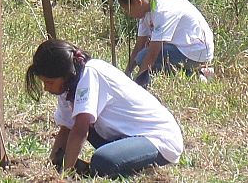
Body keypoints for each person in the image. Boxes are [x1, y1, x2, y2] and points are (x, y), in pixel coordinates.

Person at [25, 39, 183, 178]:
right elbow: (66, 129)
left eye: (49, 82)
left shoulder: (90, 74)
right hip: (125, 136)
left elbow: (80, 130)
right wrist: (53, 165)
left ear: (64, 74)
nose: (46, 88)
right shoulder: (68, 86)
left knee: (103, 162)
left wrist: (64, 174)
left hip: (157, 140)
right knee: (75, 152)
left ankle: (133, 167)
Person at [118, 0, 214, 88]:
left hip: (195, 50)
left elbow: (153, 53)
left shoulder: (162, 11)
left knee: (142, 57)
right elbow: (140, 45)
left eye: (127, 10)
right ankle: (195, 73)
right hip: (180, 47)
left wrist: (137, 84)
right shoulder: (145, 10)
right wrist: (126, 74)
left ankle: (195, 74)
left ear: (138, 3)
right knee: (141, 56)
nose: (128, 14)